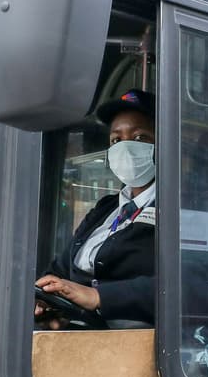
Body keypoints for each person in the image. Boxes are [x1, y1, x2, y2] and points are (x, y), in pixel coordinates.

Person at [36, 89, 157, 327]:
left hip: (134, 346)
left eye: (140, 137)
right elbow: (60, 268)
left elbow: (190, 284)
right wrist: (46, 295)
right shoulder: (106, 208)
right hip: (80, 337)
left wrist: (98, 297)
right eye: (116, 140)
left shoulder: (180, 209)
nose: (125, 147)